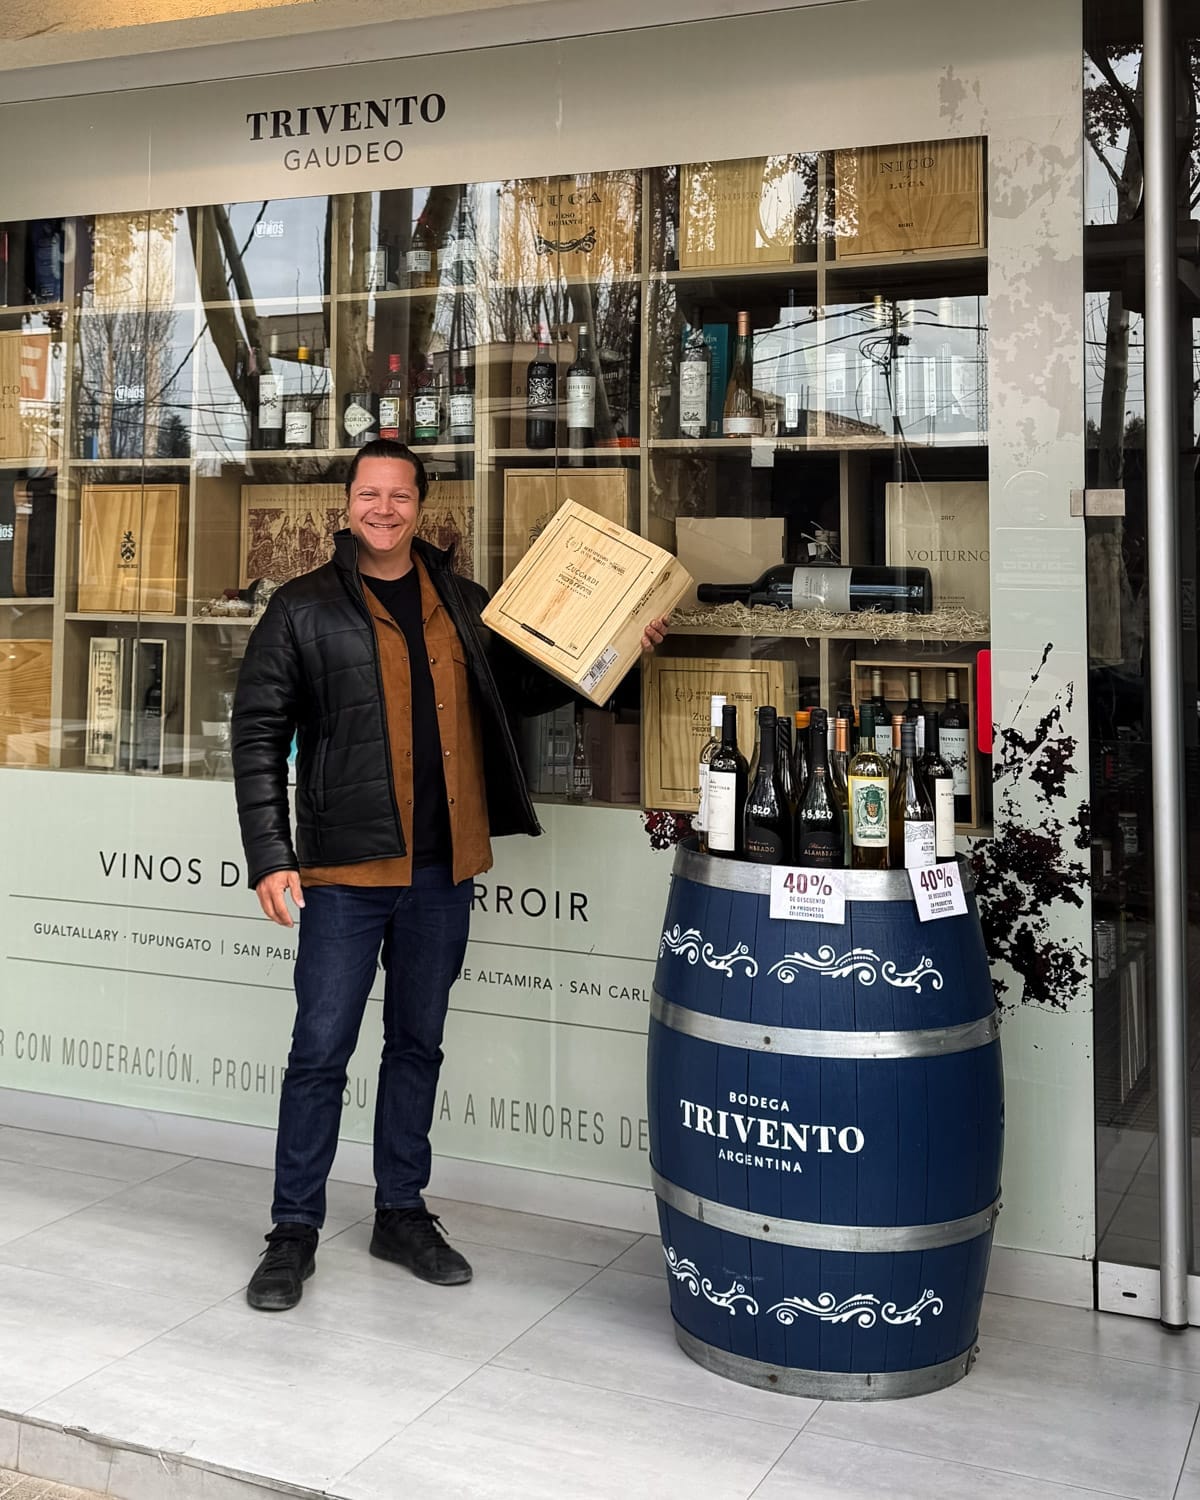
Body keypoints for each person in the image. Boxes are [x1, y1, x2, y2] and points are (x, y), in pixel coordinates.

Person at [232, 438, 668, 1311]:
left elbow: (528, 688)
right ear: (346, 505)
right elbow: (254, 736)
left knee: (417, 1044)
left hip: (442, 869)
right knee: (319, 1052)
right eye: (369, 494)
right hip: (347, 872)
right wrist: (272, 857)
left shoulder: (463, 603)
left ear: (420, 506)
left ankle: (402, 1213)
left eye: (399, 496)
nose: (383, 509)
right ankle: (292, 1231)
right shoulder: (301, 608)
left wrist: (625, 645)